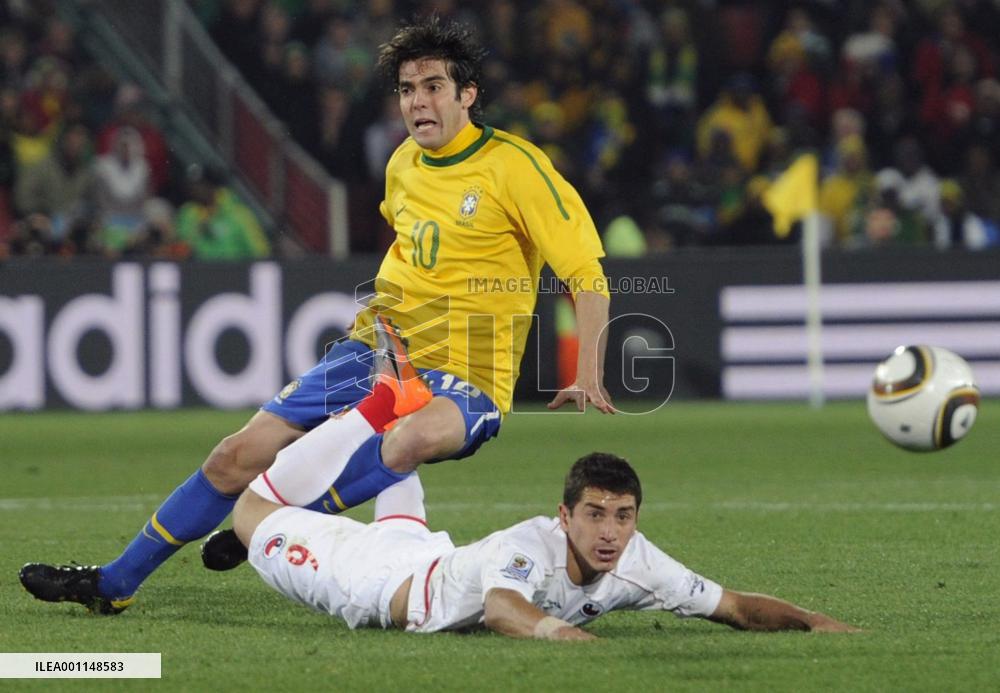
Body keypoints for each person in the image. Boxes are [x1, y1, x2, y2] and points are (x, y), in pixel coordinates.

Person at [19, 16, 613, 615]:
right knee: (236, 455)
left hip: (471, 374)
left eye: (433, 86)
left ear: (468, 95)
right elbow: (417, 251)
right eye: (407, 90)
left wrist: (587, 369)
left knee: (414, 437)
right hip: (379, 350)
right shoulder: (403, 163)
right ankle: (113, 583)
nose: (417, 102)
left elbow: (587, 274)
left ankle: (266, 525)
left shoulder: (516, 166)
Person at [232, 450, 858, 638]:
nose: (610, 532)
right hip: (376, 583)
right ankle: (351, 417)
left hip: (430, 555)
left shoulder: (638, 561)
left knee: (398, 464)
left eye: (623, 516)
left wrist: (815, 622)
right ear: (565, 516)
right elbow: (505, 608)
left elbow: (735, 608)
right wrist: (568, 637)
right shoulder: (527, 543)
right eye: (595, 515)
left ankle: (379, 428)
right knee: (250, 511)